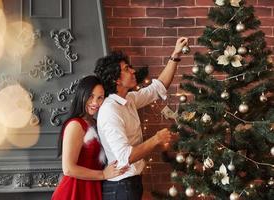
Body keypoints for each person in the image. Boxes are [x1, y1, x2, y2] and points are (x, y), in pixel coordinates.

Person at [94, 37, 188, 200]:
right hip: (120, 187)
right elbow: (125, 157)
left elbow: (158, 87)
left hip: (130, 183)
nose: (132, 71)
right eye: (126, 69)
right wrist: (156, 139)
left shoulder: (128, 99)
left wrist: (175, 54)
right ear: (116, 79)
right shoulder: (110, 110)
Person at [52, 75, 128, 200]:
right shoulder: (75, 125)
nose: (95, 103)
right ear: (82, 95)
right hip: (74, 191)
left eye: (100, 98)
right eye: (91, 96)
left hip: (93, 188)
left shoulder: (95, 123)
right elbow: (68, 169)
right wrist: (103, 174)